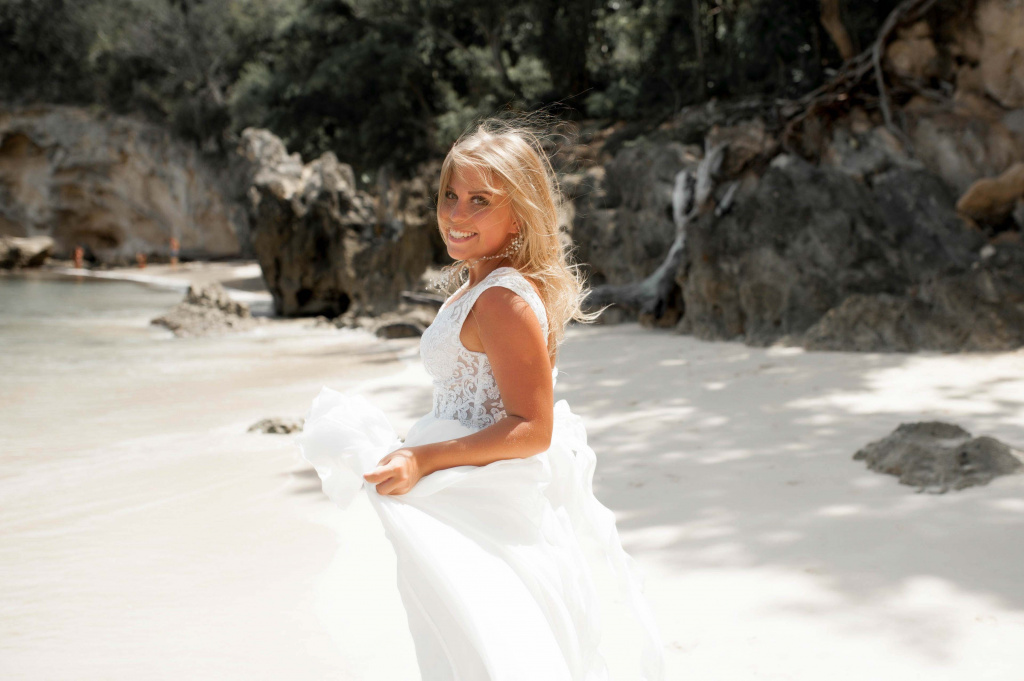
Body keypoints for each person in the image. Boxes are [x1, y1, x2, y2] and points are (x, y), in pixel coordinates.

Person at [297, 117, 664, 681]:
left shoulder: (501, 300)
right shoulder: (478, 288)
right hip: (462, 494)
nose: (456, 213)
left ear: (519, 213)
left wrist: (423, 458)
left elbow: (533, 427)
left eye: (479, 200)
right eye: (450, 195)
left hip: (482, 503)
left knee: (482, 655)